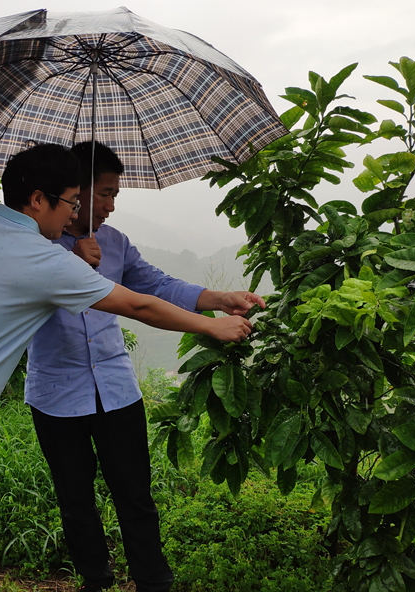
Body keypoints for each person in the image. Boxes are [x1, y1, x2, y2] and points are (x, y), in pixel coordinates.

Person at [0, 143, 256, 592]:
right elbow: (137, 305)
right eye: (76, 200)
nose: (81, 211)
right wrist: (212, 329)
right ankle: (95, 579)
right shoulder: (47, 257)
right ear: (39, 199)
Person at [25, 141, 265, 592]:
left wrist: (221, 299)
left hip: (115, 388)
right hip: (55, 394)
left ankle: (152, 580)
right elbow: (134, 306)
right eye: (103, 194)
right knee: (75, 500)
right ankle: (95, 580)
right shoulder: (35, 246)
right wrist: (67, 262)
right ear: (72, 192)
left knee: (134, 494)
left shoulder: (113, 243)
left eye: (116, 195)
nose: (111, 206)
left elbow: (156, 284)